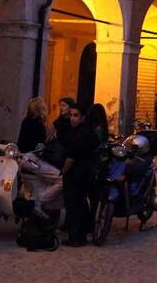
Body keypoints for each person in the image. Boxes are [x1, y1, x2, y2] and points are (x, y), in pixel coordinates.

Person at [59, 103, 101, 247]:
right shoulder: (89, 131)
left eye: (76, 115)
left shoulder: (78, 133)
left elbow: (71, 156)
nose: (72, 119)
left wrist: (63, 170)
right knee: (81, 203)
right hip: (87, 172)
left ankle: (76, 237)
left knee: (74, 204)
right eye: (71, 115)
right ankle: (82, 232)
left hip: (76, 173)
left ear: (83, 117)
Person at [16, 97, 63, 217]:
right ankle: (39, 201)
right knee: (61, 180)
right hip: (32, 159)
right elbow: (43, 143)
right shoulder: (39, 124)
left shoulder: (25, 121)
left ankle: (33, 200)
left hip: (22, 158)